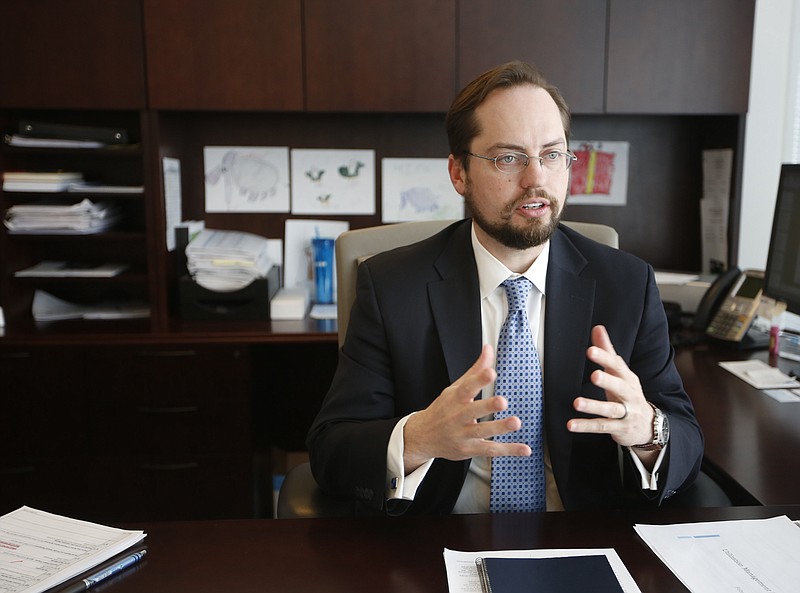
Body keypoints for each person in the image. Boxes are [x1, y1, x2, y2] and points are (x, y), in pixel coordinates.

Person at [307, 60, 703, 515]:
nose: (536, 179)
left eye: (552, 154)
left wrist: (648, 430)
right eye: (509, 158)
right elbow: (331, 449)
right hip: (439, 543)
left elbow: (687, 440)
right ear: (459, 174)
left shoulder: (626, 285)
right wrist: (418, 438)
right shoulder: (393, 286)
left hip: (580, 540)